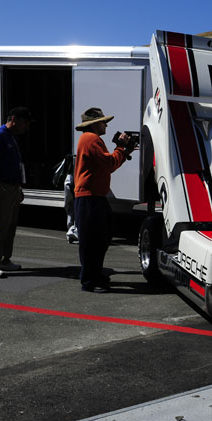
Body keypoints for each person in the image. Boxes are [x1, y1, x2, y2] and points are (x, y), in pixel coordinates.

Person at [73, 107, 135, 292]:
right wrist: (121, 149)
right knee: (93, 240)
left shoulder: (90, 139)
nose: (106, 124)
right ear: (94, 124)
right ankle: (90, 280)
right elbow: (109, 164)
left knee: (100, 236)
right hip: (90, 196)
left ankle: (94, 275)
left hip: (93, 196)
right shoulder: (91, 139)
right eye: (103, 122)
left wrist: (122, 151)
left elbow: (108, 164)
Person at [0, 107, 32, 278]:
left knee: (9, 226)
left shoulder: (10, 137)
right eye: (25, 122)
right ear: (14, 119)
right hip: (1, 186)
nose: (27, 126)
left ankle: (3, 260)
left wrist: (18, 188)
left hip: (12, 187)